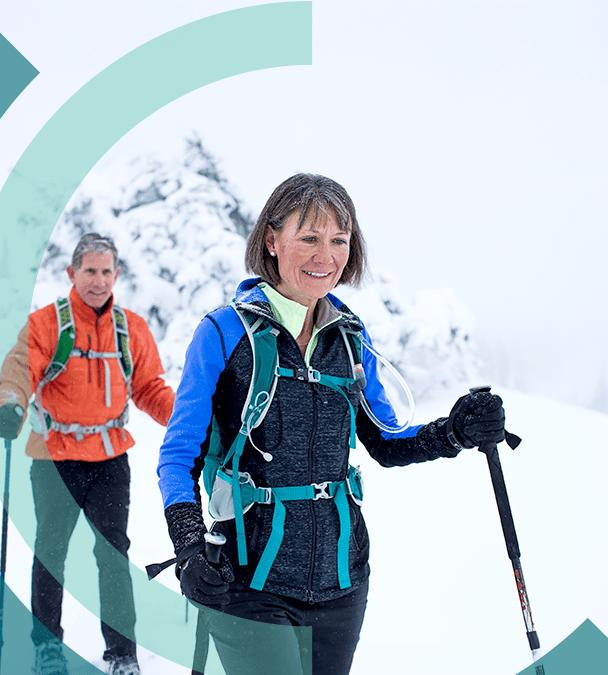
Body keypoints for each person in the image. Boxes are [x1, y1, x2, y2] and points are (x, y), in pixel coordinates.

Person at [155, 173, 508, 675]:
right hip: (247, 581)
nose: (326, 256)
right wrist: (189, 546)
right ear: (272, 240)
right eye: (309, 238)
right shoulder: (223, 333)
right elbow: (178, 454)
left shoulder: (348, 336)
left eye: (339, 240)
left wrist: (455, 431)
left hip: (343, 581)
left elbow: (385, 439)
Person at [0, 233, 176, 675]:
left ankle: (122, 652)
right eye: (89, 270)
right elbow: (19, 370)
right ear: (71, 273)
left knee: (112, 554)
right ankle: (47, 648)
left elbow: (150, 388)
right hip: (54, 457)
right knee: (51, 551)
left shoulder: (131, 329)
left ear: (117, 275)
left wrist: (188, 421)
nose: (98, 280)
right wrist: (10, 406)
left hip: (110, 458)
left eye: (106, 271)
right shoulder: (46, 325)